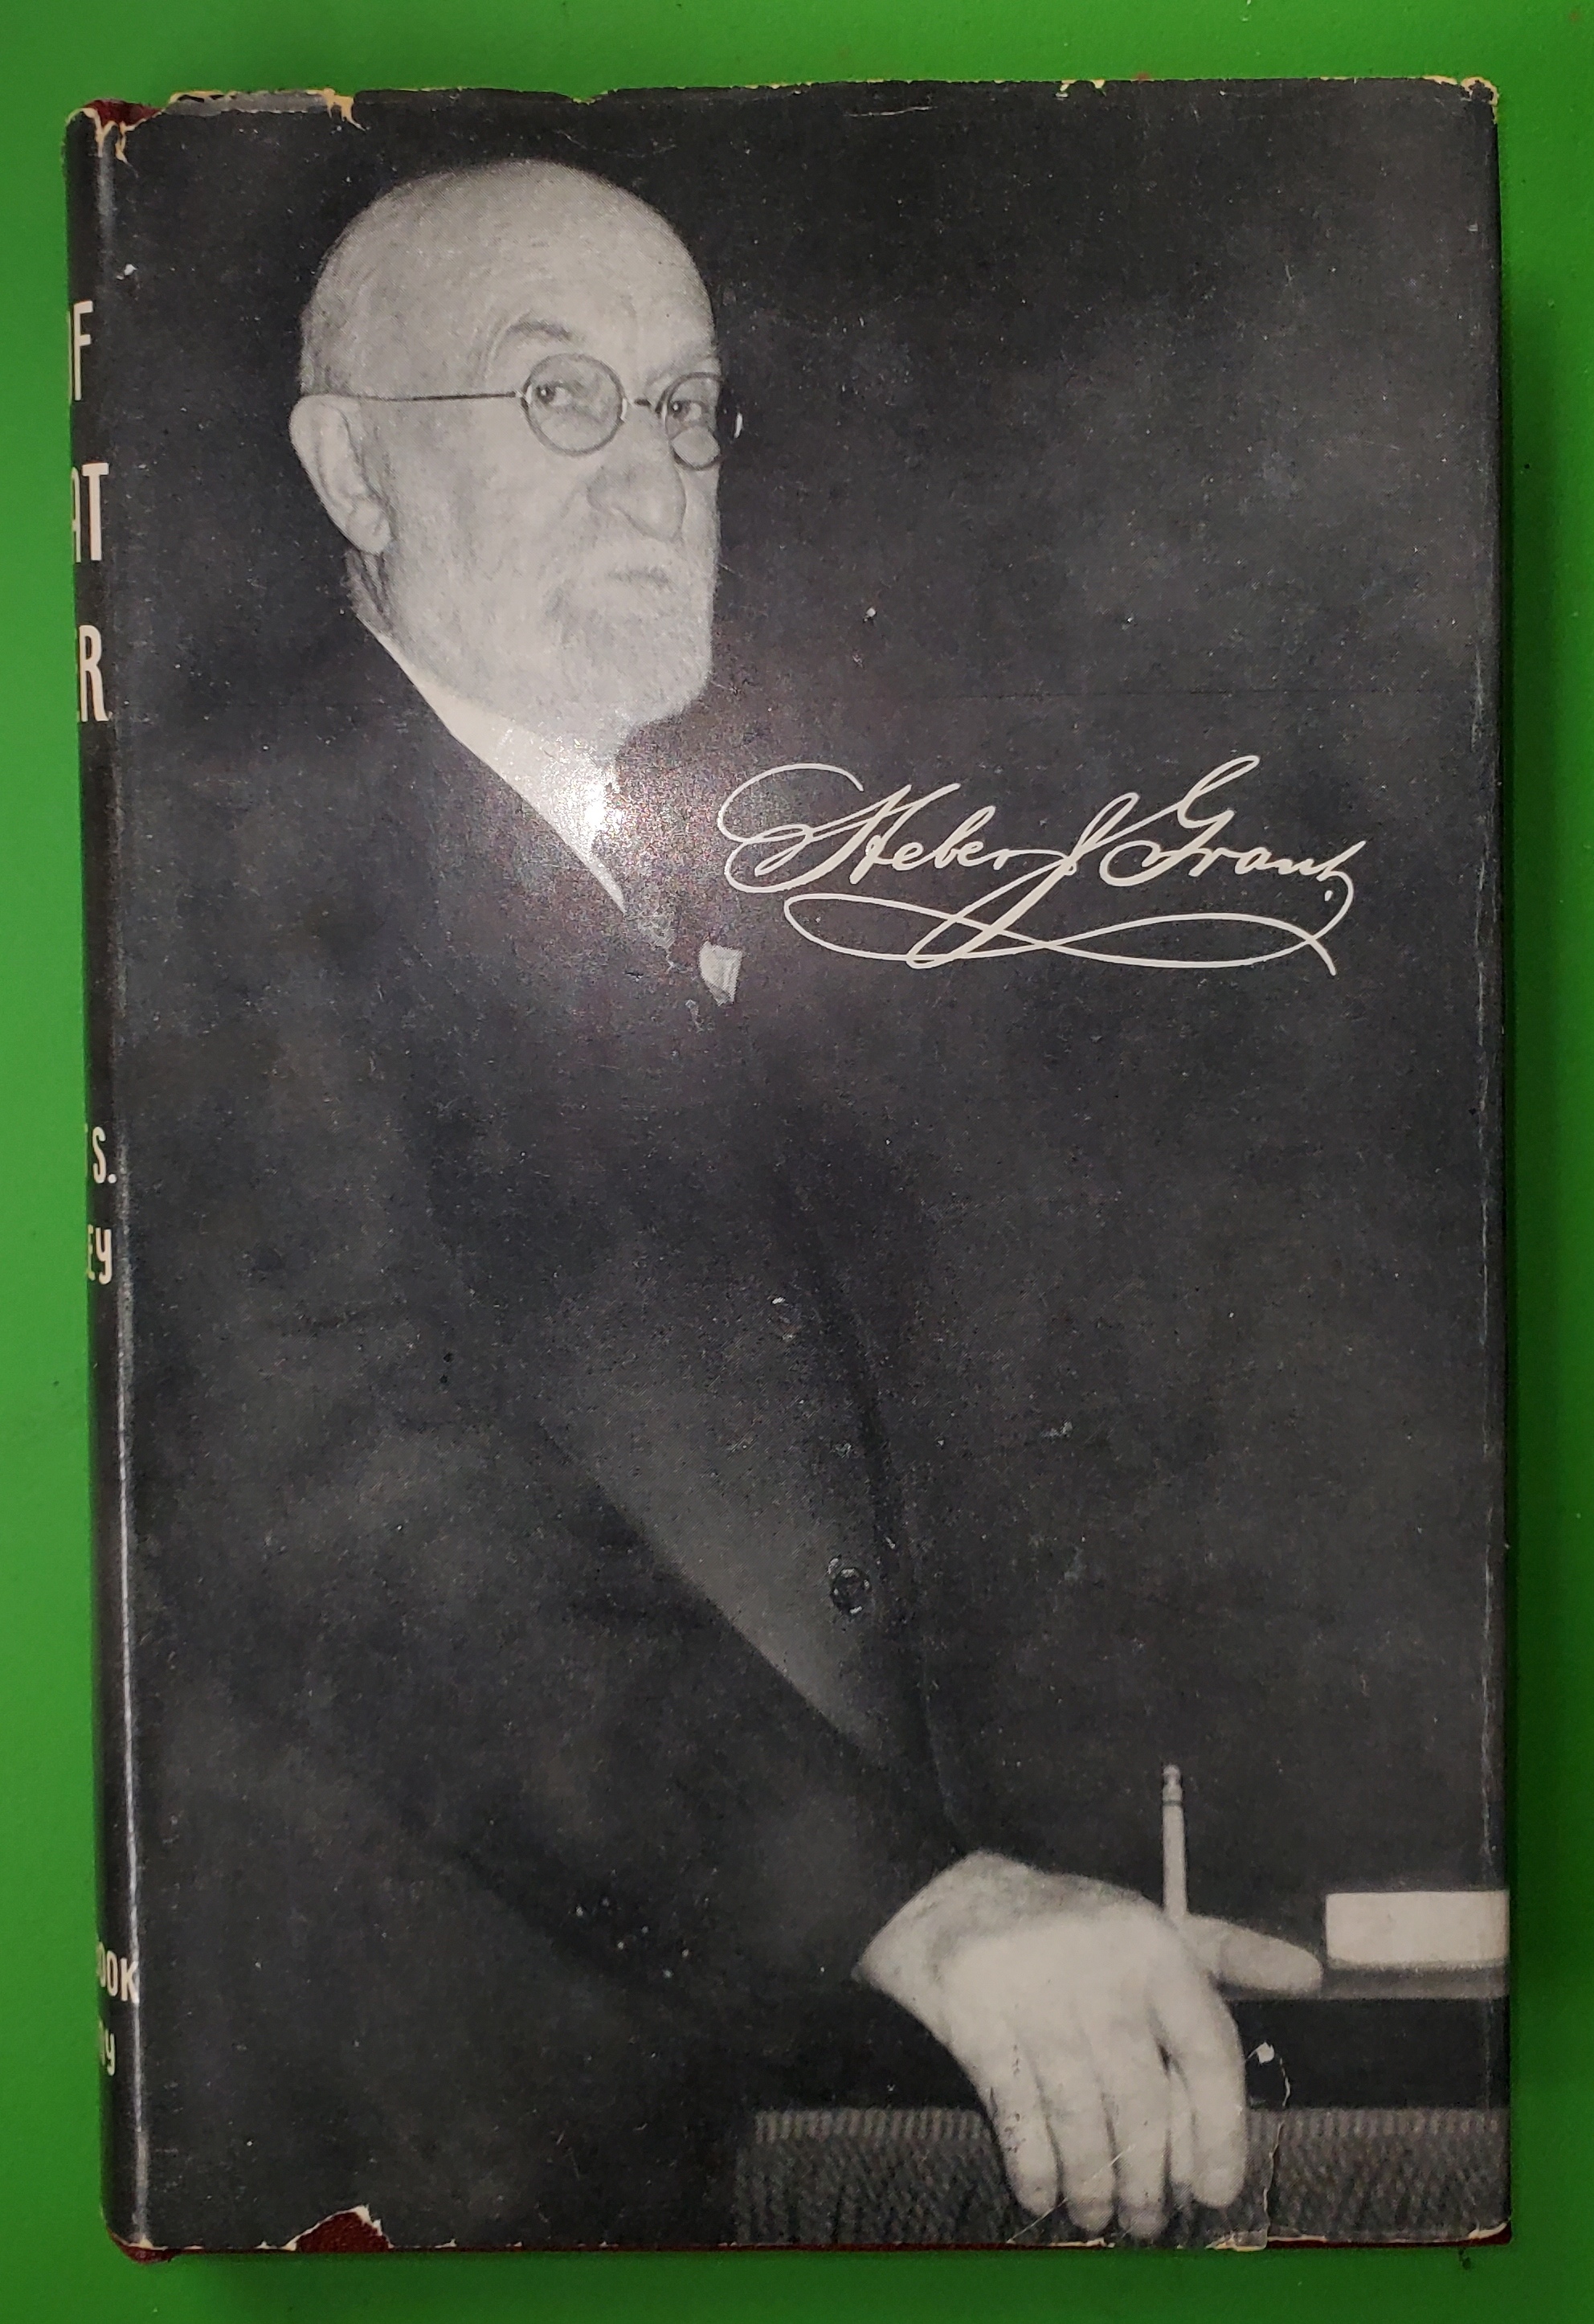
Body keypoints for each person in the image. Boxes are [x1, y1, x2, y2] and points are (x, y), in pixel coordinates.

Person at [133, 156, 1316, 2252]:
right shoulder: (212, 857)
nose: (655, 472)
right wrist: (910, 1903)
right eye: (560, 398)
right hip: (408, 2177)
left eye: (685, 405)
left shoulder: (656, 872)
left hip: (746, 2122)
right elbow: (343, 1494)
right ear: (354, 471)